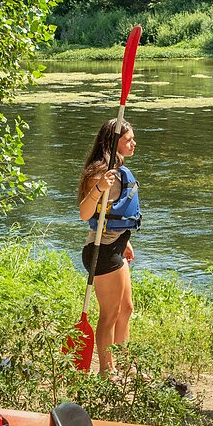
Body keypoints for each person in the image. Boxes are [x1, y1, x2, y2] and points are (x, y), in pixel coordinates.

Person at [77, 118, 140, 374]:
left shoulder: (120, 169)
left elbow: (114, 212)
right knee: (109, 314)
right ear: (113, 143)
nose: (133, 143)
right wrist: (100, 187)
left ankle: (124, 366)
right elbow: (85, 213)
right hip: (101, 251)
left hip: (116, 246)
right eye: (128, 140)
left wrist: (127, 241)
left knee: (126, 308)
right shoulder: (98, 173)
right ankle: (107, 371)